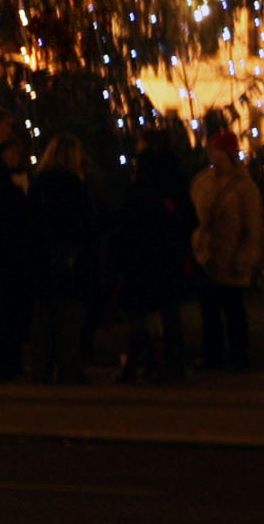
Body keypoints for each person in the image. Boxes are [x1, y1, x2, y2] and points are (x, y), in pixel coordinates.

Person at [114, 126, 197, 383]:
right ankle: (172, 364)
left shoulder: (143, 178)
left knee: (142, 313)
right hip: (169, 255)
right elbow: (189, 218)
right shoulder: (175, 177)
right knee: (169, 313)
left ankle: (143, 364)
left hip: (143, 255)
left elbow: (128, 218)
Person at [189, 111, 263, 371]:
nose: (211, 156)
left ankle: (239, 357)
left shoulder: (245, 187)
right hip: (207, 256)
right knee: (209, 310)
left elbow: (252, 226)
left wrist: (245, 256)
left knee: (233, 310)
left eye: (216, 152)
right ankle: (213, 356)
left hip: (231, 256)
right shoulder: (203, 182)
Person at [26, 135, 101, 383]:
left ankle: (42, 368)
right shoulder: (75, 187)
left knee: (43, 317)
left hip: (40, 259)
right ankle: (69, 368)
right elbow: (86, 226)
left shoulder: (39, 185)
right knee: (68, 317)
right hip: (70, 260)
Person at [0, 125, 36, 381]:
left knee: (10, 311)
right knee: (3, 311)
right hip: (6, 254)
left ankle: (7, 360)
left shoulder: (22, 179)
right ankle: (2, 361)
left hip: (14, 254)